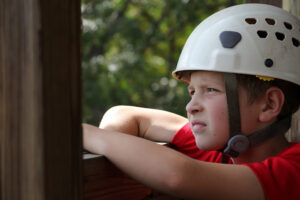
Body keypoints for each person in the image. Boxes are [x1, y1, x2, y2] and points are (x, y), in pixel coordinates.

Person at [83, 3, 300, 200]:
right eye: (192, 92)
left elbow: (177, 176)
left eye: (211, 90)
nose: (191, 106)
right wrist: (110, 155)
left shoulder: (294, 168)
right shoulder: (219, 153)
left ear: (269, 104)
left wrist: (84, 134)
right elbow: (125, 115)